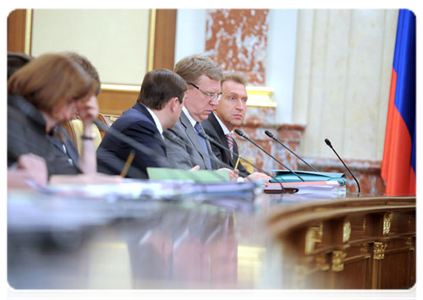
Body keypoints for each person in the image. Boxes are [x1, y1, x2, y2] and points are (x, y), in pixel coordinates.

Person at [5, 53, 100, 179]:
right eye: (74, 99)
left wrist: (87, 126)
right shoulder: (10, 118)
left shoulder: (45, 127)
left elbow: (81, 179)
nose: (77, 106)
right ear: (53, 92)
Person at [97, 69, 187, 178]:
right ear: (175, 103)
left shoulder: (138, 119)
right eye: (183, 103)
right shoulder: (139, 126)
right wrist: (185, 179)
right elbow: (159, 177)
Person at [164, 54, 238, 181]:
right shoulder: (172, 125)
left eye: (217, 95)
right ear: (184, 90)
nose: (215, 102)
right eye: (209, 94)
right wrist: (215, 177)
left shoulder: (198, 126)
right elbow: (182, 177)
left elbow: (210, 170)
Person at [202, 72, 271, 182]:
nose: (240, 107)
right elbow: (219, 177)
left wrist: (270, 181)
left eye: (244, 100)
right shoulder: (206, 130)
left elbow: (241, 174)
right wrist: (248, 181)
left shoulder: (230, 140)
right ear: (215, 100)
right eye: (232, 98)